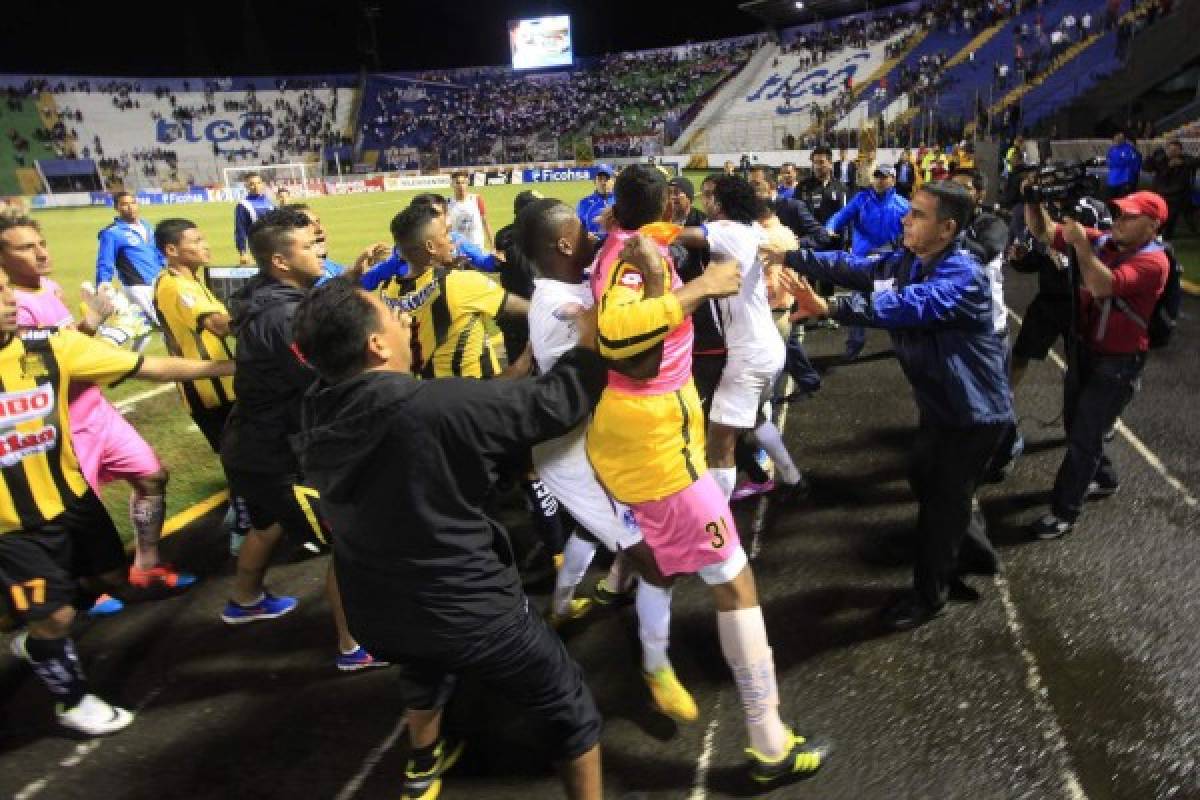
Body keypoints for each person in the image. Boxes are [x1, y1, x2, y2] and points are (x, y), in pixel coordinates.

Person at [291, 277, 605, 800]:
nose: (405, 319)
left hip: (378, 611)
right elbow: (556, 405)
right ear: (376, 345)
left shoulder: (315, 409)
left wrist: (512, 375)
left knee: (424, 663)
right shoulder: (433, 407)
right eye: (393, 315)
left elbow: (453, 417)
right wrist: (589, 343)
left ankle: (421, 765)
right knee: (570, 707)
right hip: (469, 611)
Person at [587, 164, 830, 786]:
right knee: (734, 585)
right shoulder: (633, 257)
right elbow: (619, 339)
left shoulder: (636, 241)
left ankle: (645, 640)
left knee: (660, 559)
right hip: (656, 447)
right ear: (667, 199)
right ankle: (769, 744)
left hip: (650, 439)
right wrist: (702, 289)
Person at [761, 181, 1014, 630]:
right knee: (926, 480)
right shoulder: (910, 260)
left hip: (973, 414)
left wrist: (831, 307)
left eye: (917, 214)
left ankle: (930, 594)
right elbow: (855, 266)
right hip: (943, 405)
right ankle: (972, 551)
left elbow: (907, 305)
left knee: (940, 506)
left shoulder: (961, 273)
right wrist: (791, 257)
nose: (905, 219)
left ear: (947, 227)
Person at [0, 261, 234, 736]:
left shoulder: (50, 347)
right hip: (11, 526)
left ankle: (36, 628)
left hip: (72, 499)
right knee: (56, 616)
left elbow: (147, 366)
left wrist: (231, 366)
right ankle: (72, 698)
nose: (10, 301)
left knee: (109, 580)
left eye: (7, 291)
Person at [518, 196, 697, 722]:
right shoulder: (559, 305)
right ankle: (657, 669)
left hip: (594, 440)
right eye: (584, 230)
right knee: (657, 562)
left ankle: (561, 606)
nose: (595, 234)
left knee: (596, 531)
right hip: (572, 455)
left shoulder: (572, 281)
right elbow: (626, 350)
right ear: (564, 245)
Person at [219, 208, 381, 671]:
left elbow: (307, 303)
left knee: (267, 524)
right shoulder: (284, 318)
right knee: (350, 542)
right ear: (281, 261)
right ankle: (355, 646)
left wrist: (348, 278)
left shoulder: (265, 294)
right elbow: (323, 377)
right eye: (309, 247)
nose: (320, 250)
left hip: (250, 445)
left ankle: (245, 599)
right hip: (279, 454)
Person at [4, 213, 194, 606]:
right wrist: (94, 326)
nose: (41, 253)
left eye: (41, 243)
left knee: (152, 476)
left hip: (98, 411)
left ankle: (145, 564)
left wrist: (91, 330)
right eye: (26, 247)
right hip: (64, 426)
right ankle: (73, 596)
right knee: (67, 513)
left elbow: (70, 351)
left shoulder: (48, 289)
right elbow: (43, 367)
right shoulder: (12, 309)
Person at [1023, 190, 1170, 538]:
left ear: (1151, 226)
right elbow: (1044, 231)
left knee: (1084, 437)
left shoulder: (1153, 261)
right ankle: (1103, 476)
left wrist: (1082, 247)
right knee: (1078, 424)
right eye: (1119, 213)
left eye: (1130, 217)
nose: (1118, 220)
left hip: (1118, 362)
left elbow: (1102, 285)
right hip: (1088, 350)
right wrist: (1033, 200)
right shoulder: (1107, 241)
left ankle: (1064, 513)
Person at [672, 175, 811, 503]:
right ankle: (792, 479)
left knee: (719, 442)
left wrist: (634, 230)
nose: (705, 202)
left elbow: (681, 235)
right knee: (754, 418)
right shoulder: (749, 229)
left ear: (723, 202)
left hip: (749, 354)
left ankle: (716, 529)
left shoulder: (727, 230)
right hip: (766, 347)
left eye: (709, 196)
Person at [151, 218, 252, 556]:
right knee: (241, 456)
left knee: (240, 454)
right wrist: (266, 310)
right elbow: (218, 325)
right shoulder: (177, 287)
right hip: (209, 389)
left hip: (222, 384)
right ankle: (242, 530)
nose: (205, 244)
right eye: (196, 240)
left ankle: (238, 512)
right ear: (172, 250)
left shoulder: (190, 280)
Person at [387, 203, 529, 379]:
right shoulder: (462, 283)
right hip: (476, 396)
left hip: (422, 394)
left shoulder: (389, 291)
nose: (452, 240)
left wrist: (445, 269)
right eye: (446, 234)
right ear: (430, 247)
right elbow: (530, 310)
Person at [825, 164, 910, 361]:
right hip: (862, 259)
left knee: (893, 303)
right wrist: (830, 227)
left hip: (890, 260)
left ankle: (902, 345)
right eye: (877, 176)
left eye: (885, 176)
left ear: (893, 180)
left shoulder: (903, 205)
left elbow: (913, 228)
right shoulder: (861, 200)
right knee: (857, 301)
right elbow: (841, 215)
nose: (880, 180)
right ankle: (854, 345)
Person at [95, 190, 163, 349]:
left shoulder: (146, 226)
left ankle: (129, 362)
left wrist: (166, 268)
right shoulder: (112, 233)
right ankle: (179, 365)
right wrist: (103, 284)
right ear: (116, 208)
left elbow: (157, 252)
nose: (130, 207)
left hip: (157, 281)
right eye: (124, 204)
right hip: (137, 286)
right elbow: (105, 261)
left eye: (133, 203)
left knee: (142, 330)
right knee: (165, 326)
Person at [1146, 139, 1200, 240]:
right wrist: (1152, 157)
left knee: (1171, 220)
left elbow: (1196, 162)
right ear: (1167, 150)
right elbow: (1147, 167)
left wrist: (1182, 162)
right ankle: (1156, 240)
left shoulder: (1186, 159)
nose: (1173, 153)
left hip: (1177, 197)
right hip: (1161, 195)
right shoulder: (1161, 160)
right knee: (1159, 219)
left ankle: (1165, 240)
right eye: (1171, 150)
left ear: (1180, 151)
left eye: (1176, 150)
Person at [447, 170, 493, 251]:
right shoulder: (447, 203)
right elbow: (446, 228)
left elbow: (486, 223)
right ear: (452, 184)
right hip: (458, 249)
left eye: (463, 182)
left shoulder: (476, 199)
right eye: (457, 183)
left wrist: (493, 246)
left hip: (477, 247)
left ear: (467, 183)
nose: (461, 186)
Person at [234, 172, 274, 266]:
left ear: (263, 184)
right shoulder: (243, 205)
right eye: (252, 184)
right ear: (246, 186)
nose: (256, 186)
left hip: (274, 244)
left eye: (258, 183)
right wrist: (242, 252)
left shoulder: (269, 203)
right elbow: (240, 230)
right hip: (258, 246)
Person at [576, 164, 616, 237]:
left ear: (612, 180)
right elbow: (578, 230)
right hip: (593, 246)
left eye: (606, 179)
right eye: (600, 179)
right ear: (594, 181)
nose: (603, 182)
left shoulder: (620, 201)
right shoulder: (583, 203)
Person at [1105, 132, 1142, 199]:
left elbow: (1132, 164)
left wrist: (1131, 180)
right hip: (1113, 181)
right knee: (1111, 202)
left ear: (1123, 139)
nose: (1117, 140)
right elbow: (1109, 163)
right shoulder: (1112, 149)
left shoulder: (1130, 149)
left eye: (1120, 138)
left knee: (1123, 202)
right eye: (1115, 138)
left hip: (1125, 181)